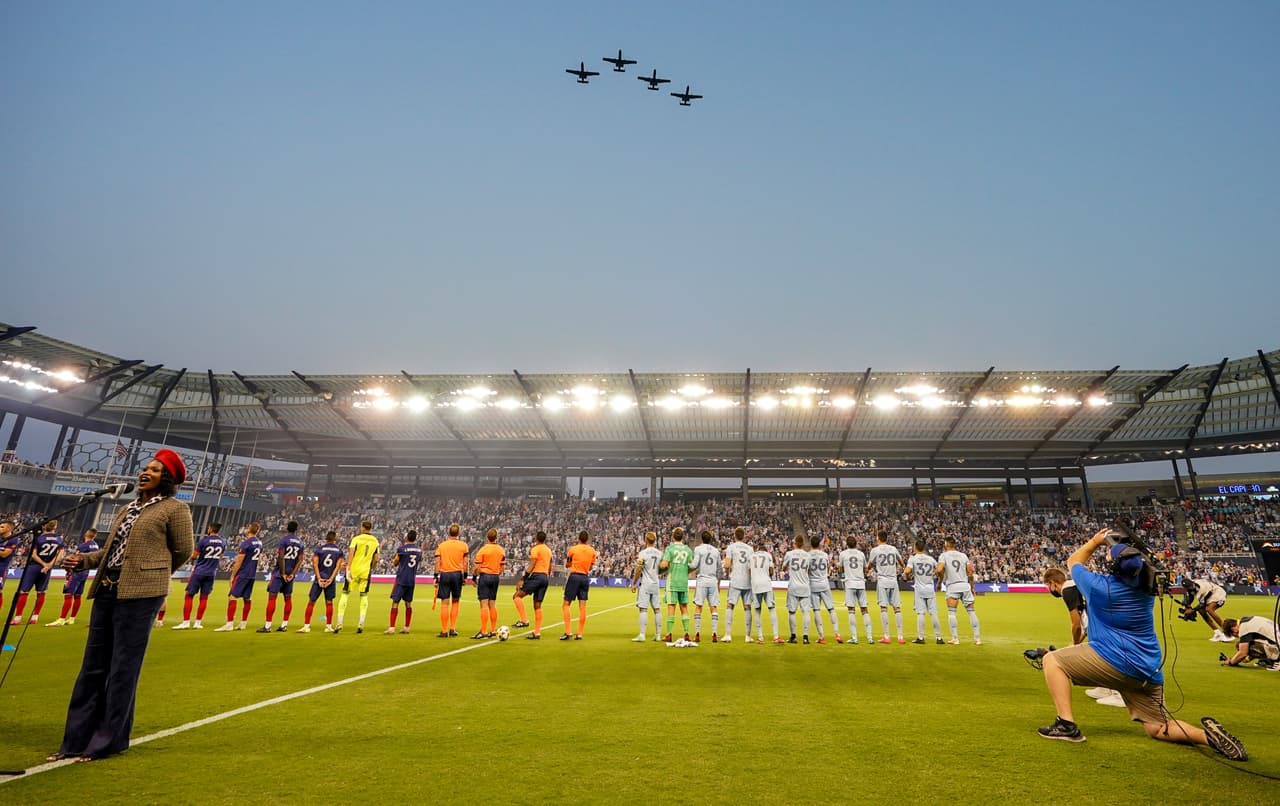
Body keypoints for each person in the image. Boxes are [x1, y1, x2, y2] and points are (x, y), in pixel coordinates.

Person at [1037, 528, 1247, 761]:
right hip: (1149, 669)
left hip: (1113, 662)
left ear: (1114, 568)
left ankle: (1066, 724)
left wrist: (1096, 541)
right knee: (1158, 728)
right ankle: (1207, 737)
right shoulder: (1146, 590)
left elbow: (1074, 560)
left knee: (1052, 660)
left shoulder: (1099, 587)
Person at [51, 449, 193, 762]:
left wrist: (151, 572)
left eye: (155, 470)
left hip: (141, 593)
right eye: (145, 468)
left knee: (122, 668)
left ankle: (107, 741)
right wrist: (84, 561)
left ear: (166, 478)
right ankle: (75, 739)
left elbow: (183, 550)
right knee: (93, 666)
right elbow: (109, 551)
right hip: (106, 588)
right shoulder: (127, 508)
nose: (145, 473)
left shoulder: (174, 508)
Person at [10, 519, 65, 625]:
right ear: (55, 527)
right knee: (41, 592)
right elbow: (60, 554)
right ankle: (35, 617)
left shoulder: (39, 538)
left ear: (44, 526)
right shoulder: (59, 539)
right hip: (47, 568)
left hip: (34, 566)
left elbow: (33, 554)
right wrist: (49, 565)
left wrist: (43, 564)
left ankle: (18, 618)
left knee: (24, 592)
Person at [173, 523, 225, 630]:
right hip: (211, 573)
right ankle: (198, 622)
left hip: (199, 571)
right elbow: (221, 556)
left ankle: (186, 622)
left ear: (210, 529)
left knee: (189, 595)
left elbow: (194, 556)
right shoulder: (222, 542)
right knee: (204, 597)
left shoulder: (204, 541)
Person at [215, 523, 263, 632]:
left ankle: (229, 624)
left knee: (232, 596)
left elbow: (239, 561)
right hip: (252, 574)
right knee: (247, 598)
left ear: (249, 530)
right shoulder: (259, 543)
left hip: (243, 573)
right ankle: (243, 623)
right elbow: (258, 559)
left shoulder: (246, 543)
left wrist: (232, 575)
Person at [259, 520, 305, 633]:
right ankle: (284, 625)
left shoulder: (284, 540)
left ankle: (267, 626)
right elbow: (300, 560)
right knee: (288, 598)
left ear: (287, 528)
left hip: (280, 573)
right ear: (296, 530)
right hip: (291, 574)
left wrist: (283, 573)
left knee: (272, 597)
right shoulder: (300, 543)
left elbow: (281, 557)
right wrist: (292, 574)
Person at [48, 529, 99, 627]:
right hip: (86, 572)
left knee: (68, 594)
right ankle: (72, 618)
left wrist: (68, 567)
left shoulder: (83, 546)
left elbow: (75, 558)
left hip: (76, 571)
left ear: (86, 534)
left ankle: (61, 619)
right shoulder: (95, 545)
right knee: (78, 595)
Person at [336, 520, 380, 634]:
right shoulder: (375, 541)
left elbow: (351, 554)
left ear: (363, 528)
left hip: (354, 570)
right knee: (363, 596)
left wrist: (348, 568)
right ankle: (361, 623)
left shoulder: (356, 539)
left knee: (345, 594)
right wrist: (371, 567)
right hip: (365, 572)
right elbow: (376, 558)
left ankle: (339, 623)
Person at [936, 536, 981, 646]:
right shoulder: (963, 555)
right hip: (965, 586)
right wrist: (972, 587)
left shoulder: (944, 555)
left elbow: (939, 569)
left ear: (946, 544)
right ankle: (978, 639)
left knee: (952, 613)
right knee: (972, 612)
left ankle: (955, 639)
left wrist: (939, 581)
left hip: (953, 586)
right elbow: (970, 572)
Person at [297, 531, 345, 633]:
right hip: (330, 580)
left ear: (326, 539)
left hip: (319, 579)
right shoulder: (339, 551)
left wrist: (319, 578)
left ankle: (306, 626)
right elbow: (338, 566)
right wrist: (331, 579)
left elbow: (314, 564)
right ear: (335, 539)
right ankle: (328, 626)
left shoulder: (319, 549)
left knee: (311, 601)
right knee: (329, 602)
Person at [512, 530, 552, 638]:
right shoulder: (548, 550)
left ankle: (524, 620)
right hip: (545, 577)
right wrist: (546, 576)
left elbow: (532, 564)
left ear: (536, 539)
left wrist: (523, 579)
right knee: (537, 605)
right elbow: (550, 566)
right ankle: (537, 632)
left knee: (516, 596)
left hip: (537, 576)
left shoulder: (535, 549)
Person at [867, 530, 905, 644]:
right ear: (886, 538)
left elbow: (869, 566)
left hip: (883, 581)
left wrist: (872, 568)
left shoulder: (875, 550)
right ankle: (900, 637)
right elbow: (902, 563)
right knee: (897, 608)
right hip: (893, 580)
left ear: (878, 538)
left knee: (884, 608)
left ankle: (887, 636)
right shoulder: (893, 549)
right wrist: (898, 569)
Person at [560, 530, 597, 640]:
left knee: (566, 604)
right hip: (585, 578)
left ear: (579, 538)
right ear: (587, 539)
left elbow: (567, 564)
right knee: (582, 607)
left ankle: (568, 632)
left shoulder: (573, 549)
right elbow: (590, 567)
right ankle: (579, 633)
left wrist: (572, 564)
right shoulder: (592, 551)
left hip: (574, 577)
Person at [433, 523, 468, 638]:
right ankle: (452, 629)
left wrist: (436, 576)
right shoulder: (463, 546)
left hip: (445, 574)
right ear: (458, 533)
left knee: (444, 603)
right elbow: (466, 562)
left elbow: (437, 562)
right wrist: (465, 576)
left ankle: (444, 631)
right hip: (457, 574)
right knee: (455, 602)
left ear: (449, 533)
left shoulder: (442, 545)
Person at [660, 527, 694, 642]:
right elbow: (692, 565)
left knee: (671, 607)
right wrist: (685, 571)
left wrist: (659, 566)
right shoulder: (688, 550)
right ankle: (687, 633)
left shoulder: (670, 549)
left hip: (673, 582)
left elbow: (664, 565)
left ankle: (669, 634)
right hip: (683, 582)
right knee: (684, 607)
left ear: (673, 536)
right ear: (682, 537)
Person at [904, 539, 942, 644]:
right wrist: (939, 580)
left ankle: (921, 638)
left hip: (919, 589)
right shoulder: (931, 559)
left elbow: (907, 571)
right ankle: (939, 638)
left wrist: (908, 577)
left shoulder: (913, 559)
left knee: (920, 613)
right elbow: (940, 570)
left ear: (915, 547)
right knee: (934, 613)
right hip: (930, 588)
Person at [470, 528, 505, 639]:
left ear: (487, 538)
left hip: (485, 577)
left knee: (484, 604)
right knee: (492, 604)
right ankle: (493, 630)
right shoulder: (501, 550)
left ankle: (483, 631)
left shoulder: (483, 550)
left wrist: (474, 578)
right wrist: (496, 574)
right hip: (495, 577)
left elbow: (476, 567)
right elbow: (502, 567)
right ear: (496, 538)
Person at [386, 530, 423, 635]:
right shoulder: (419, 550)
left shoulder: (402, 549)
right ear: (415, 538)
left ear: (407, 537)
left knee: (395, 602)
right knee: (408, 603)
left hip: (401, 578)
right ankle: (407, 627)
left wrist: (397, 561)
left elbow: (395, 562)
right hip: (411, 579)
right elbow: (418, 560)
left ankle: (392, 628)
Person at [721, 526, 753, 643]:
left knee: (730, 606)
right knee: (747, 607)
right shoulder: (750, 549)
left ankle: (728, 635)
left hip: (735, 580)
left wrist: (728, 573)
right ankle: (748, 636)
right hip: (747, 581)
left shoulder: (731, 547)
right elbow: (751, 567)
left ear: (734, 536)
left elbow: (727, 565)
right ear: (744, 536)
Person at [630, 531, 663, 642]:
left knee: (643, 609)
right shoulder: (659, 553)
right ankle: (658, 635)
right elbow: (664, 567)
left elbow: (639, 569)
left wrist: (634, 583)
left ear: (646, 540)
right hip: (655, 583)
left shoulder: (643, 553)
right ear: (655, 540)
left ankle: (642, 635)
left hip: (645, 583)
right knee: (657, 609)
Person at [837, 536, 871, 645]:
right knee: (865, 610)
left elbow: (840, 569)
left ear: (846, 544)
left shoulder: (843, 554)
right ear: (856, 544)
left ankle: (854, 637)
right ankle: (870, 637)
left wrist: (845, 572)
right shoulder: (861, 554)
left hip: (850, 583)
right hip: (861, 583)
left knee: (851, 610)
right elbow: (866, 569)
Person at [1042, 566, 1087, 645]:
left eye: (1047, 585)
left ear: (1052, 583)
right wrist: (1076, 643)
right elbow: (1086, 626)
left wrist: (1074, 645)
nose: (1048, 589)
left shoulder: (1067, 591)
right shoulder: (1074, 585)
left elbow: (1076, 625)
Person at [750, 539, 783, 644]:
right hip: (766, 584)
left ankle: (760, 637)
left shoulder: (751, 556)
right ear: (765, 549)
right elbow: (771, 570)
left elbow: (749, 570)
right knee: (771, 608)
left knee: (757, 610)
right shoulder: (768, 555)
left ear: (757, 548)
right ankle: (776, 636)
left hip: (755, 585)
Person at [691, 530, 721, 642]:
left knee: (699, 606)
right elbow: (719, 569)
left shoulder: (698, 549)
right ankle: (714, 633)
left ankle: (697, 633)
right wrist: (718, 583)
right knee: (713, 607)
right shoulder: (716, 551)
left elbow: (694, 565)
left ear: (701, 539)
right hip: (713, 580)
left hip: (702, 580)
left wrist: (685, 567)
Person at [808, 535, 839, 644]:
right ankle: (837, 634)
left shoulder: (808, 555)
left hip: (813, 584)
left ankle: (821, 637)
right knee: (831, 609)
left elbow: (807, 570)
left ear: (811, 544)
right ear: (819, 544)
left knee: (816, 610)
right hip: (824, 583)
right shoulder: (825, 555)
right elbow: (827, 567)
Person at [782, 534, 813, 644]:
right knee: (806, 612)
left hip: (794, 586)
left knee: (792, 612)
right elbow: (809, 570)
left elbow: (784, 568)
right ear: (803, 544)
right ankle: (805, 637)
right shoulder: (808, 555)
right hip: (805, 586)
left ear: (795, 543)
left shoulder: (789, 554)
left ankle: (793, 636)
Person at [1178, 576, 1230, 641]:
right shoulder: (1191, 588)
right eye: (1188, 587)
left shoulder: (1202, 589)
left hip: (1218, 593)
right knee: (1201, 611)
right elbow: (1191, 597)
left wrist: (1192, 610)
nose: (1190, 587)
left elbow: (1202, 604)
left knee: (1209, 609)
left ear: (1192, 583)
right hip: (1210, 596)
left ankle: (1227, 632)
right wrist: (1187, 607)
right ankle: (1217, 633)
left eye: (1190, 586)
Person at [0, 518, 19, 614]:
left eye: (2, 527)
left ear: (9, 529)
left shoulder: (14, 539)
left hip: (1, 568)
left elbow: (4, 554)